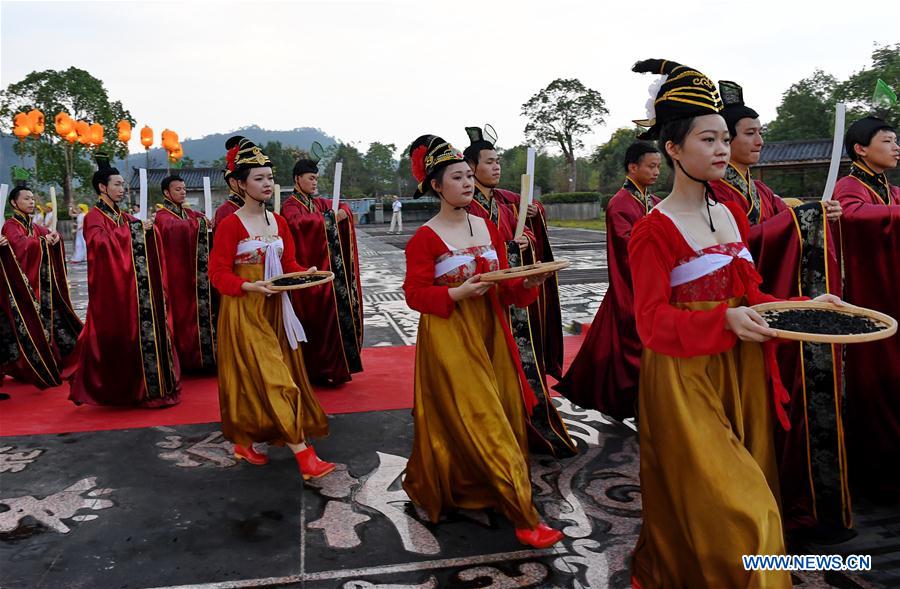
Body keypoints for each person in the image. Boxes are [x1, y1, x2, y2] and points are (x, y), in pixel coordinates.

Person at [627, 58, 843, 588]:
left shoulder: (729, 213)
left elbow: (750, 294)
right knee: (744, 512)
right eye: (708, 139)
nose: (722, 149)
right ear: (672, 149)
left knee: (731, 500)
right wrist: (726, 322)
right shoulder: (652, 231)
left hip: (742, 372)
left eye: (725, 137)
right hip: (684, 381)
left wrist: (808, 304)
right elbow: (651, 324)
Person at [402, 134, 564, 549]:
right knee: (480, 418)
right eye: (457, 177)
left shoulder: (486, 225)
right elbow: (414, 294)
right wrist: (456, 293)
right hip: (450, 336)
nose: (468, 182)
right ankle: (525, 517)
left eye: (468, 175)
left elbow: (504, 288)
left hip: (492, 332)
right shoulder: (427, 237)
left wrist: (528, 281)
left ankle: (476, 489)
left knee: (502, 412)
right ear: (436, 186)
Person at [710, 80, 850, 538]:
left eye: (760, 132)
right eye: (749, 132)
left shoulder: (758, 188)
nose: (759, 140)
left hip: (776, 307)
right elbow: (743, 244)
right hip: (740, 314)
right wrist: (798, 216)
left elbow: (775, 221)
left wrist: (815, 213)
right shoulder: (718, 193)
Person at [209, 136, 334, 477]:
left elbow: (289, 262)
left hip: (276, 309)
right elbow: (217, 273)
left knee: (262, 377)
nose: (267, 184)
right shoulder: (231, 224)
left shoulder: (278, 222)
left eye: (269, 177)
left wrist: (304, 272)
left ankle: (244, 441)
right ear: (239, 183)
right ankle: (304, 456)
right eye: (258, 178)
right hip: (244, 310)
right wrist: (248, 285)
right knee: (275, 377)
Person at [463, 126, 575, 458]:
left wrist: (531, 226)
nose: (497, 167)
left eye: (498, 162)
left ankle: (528, 418)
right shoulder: (467, 207)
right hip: (486, 301)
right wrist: (511, 245)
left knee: (525, 356)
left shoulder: (508, 201)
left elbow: (529, 226)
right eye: (490, 162)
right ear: (472, 168)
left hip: (518, 299)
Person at [554, 142, 662, 418]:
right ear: (633, 167)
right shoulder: (619, 204)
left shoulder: (654, 201)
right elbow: (628, 249)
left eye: (658, 166)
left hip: (653, 284)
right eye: (651, 166)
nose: (656, 172)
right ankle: (638, 405)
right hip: (631, 286)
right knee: (631, 347)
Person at [65, 154, 180, 407]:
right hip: (110, 292)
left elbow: (134, 233)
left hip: (131, 289)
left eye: (122, 185)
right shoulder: (95, 217)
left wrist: (145, 229)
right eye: (116, 184)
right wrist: (136, 231)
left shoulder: (122, 216)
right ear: (102, 187)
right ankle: (117, 390)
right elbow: (99, 243)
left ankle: (144, 387)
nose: (121, 189)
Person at [833, 115, 900, 500]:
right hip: (868, 296)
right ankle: (876, 473)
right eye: (888, 140)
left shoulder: (888, 189)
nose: (896, 147)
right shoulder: (849, 186)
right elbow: (855, 217)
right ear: (861, 149)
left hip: (891, 291)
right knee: (875, 381)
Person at [281, 148, 364, 385]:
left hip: (329, 273)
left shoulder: (317, 203)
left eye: (316, 178)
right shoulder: (291, 205)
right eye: (311, 178)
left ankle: (335, 369)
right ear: (297, 179)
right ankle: (317, 371)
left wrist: (339, 213)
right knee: (316, 322)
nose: (315, 182)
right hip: (308, 274)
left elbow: (343, 208)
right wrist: (329, 219)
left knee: (333, 319)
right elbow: (297, 224)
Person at [0, 185, 82, 390]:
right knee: (23, 328)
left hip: (37, 286)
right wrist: (41, 242)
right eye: (26, 198)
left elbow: (45, 236)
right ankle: (27, 367)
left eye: (32, 198)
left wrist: (54, 239)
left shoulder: (32, 225)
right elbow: (20, 247)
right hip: (20, 289)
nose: (31, 202)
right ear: (13, 203)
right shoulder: (11, 225)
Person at [154, 175, 216, 373]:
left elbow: (197, 220)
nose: (183, 192)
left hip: (193, 274)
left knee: (197, 313)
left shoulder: (187, 212)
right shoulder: (162, 215)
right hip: (176, 275)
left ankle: (203, 357)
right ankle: (185, 359)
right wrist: (199, 224)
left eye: (184, 189)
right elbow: (172, 229)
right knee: (181, 315)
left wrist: (204, 221)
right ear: (166, 193)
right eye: (178, 189)